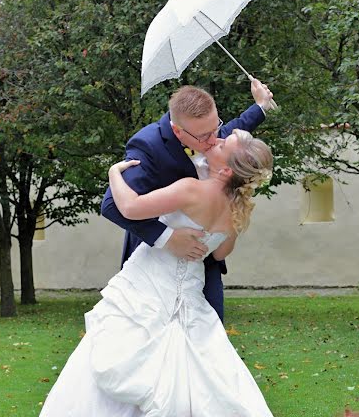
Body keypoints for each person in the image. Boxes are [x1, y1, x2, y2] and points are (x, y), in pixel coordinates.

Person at [20, 129, 284, 417]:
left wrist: (113, 174)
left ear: (227, 168)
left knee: (123, 369)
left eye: (223, 144)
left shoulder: (191, 190)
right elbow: (220, 251)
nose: (217, 140)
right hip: (187, 294)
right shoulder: (232, 209)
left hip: (149, 287)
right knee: (198, 376)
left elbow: (129, 207)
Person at [101, 79, 274, 321]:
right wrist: (167, 237)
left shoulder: (213, 139)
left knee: (204, 343)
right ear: (178, 131)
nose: (215, 139)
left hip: (203, 267)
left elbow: (238, 138)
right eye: (207, 135)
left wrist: (261, 106)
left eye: (217, 128)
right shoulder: (147, 145)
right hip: (156, 264)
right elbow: (112, 206)